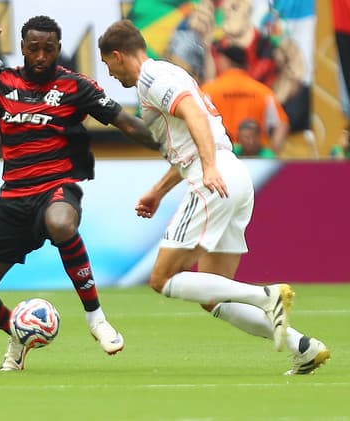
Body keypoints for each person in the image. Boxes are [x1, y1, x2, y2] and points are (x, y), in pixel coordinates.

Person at [0, 16, 160, 371]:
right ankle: (19, 334)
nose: (40, 56)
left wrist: (173, 148)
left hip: (56, 188)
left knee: (61, 223)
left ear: (58, 49)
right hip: (12, 200)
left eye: (48, 49)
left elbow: (126, 123)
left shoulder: (74, 86)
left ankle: (96, 318)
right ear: (22, 48)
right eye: (33, 48)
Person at [97, 19, 330, 375]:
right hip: (233, 175)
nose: (110, 75)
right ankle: (304, 347)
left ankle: (265, 296)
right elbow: (190, 140)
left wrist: (207, 169)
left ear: (117, 55)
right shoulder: (170, 73)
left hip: (214, 178)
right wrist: (159, 191)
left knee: (161, 279)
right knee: (212, 298)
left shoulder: (150, 78)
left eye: (108, 65)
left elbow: (193, 114)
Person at [201, 44, 289, 155]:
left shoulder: (209, 90)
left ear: (225, 61)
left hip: (222, 156)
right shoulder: (263, 91)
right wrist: (273, 153)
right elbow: (282, 123)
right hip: (256, 158)